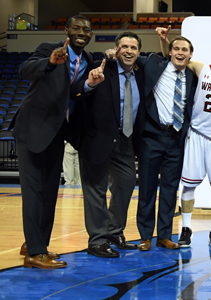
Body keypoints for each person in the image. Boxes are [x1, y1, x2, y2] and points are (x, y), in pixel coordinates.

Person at [15, 15, 95, 269]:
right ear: (66, 31)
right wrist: (50, 62)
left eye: (87, 29)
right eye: (76, 28)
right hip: (32, 130)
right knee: (34, 193)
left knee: (50, 193)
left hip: (57, 133)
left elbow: (72, 93)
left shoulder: (88, 59)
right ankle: (35, 254)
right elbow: (25, 70)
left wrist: (89, 85)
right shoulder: (50, 48)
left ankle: (36, 243)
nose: (82, 32)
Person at [153, 27, 211, 249]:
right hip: (197, 135)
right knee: (189, 186)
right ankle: (186, 228)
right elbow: (175, 57)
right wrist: (165, 40)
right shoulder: (201, 68)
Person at [71, 31, 145, 257]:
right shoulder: (101, 66)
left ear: (139, 52)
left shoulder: (141, 74)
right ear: (116, 49)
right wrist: (89, 85)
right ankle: (97, 241)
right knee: (96, 191)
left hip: (125, 140)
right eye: (124, 47)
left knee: (126, 183)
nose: (129, 51)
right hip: (97, 140)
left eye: (133, 47)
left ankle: (114, 231)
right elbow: (75, 92)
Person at [136, 36, 197, 251]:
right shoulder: (154, 64)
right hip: (151, 136)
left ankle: (164, 235)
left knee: (170, 191)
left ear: (191, 55)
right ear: (169, 52)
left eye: (185, 50)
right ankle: (145, 236)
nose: (180, 53)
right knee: (147, 189)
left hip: (176, 139)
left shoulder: (192, 76)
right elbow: (132, 56)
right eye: (177, 49)